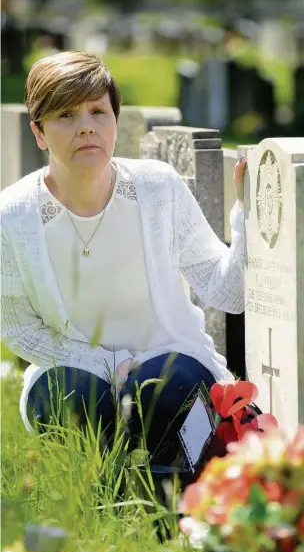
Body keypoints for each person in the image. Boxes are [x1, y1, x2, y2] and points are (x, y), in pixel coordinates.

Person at [0, 51, 246, 469]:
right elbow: (18, 327)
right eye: (65, 115)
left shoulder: (156, 188)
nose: (85, 127)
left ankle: (168, 497)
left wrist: (246, 215)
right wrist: (109, 366)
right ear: (38, 132)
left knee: (161, 387)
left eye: (98, 111)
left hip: (173, 371)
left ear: (115, 119)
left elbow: (229, 291)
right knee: (68, 396)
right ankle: (95, 494)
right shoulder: (13, 216)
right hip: (76, 376)